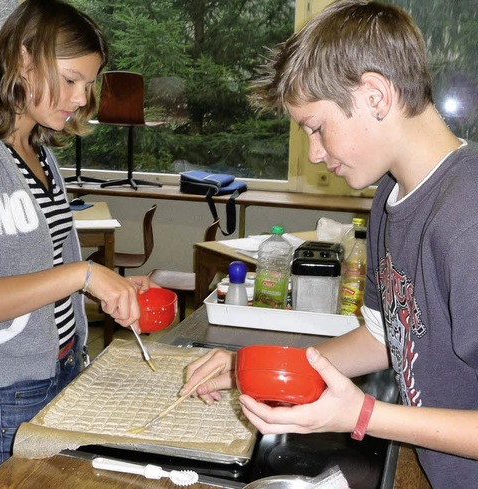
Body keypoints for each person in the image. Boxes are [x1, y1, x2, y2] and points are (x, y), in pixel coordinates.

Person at [180, 1, 478, 487]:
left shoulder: (469, 218)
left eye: (317, 128)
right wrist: (260, 367)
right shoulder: (389, 200)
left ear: (376, 95)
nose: (316, 153)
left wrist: (362, 415)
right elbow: (389, 338)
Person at [0, 1, 153, 486]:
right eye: (70, 79)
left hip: (60, 365)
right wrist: (83, 275)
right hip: (0, 392)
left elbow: (40, 265)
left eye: (88, 83)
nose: (82, 98)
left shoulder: (33, 146)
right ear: (24, 60)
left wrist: (101, 287)